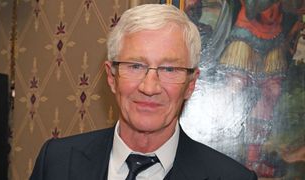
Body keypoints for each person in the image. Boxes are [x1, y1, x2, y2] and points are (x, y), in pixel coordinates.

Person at [30, 4, 257, 180]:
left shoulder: (232, 177)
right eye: (135, 66)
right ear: (111, 77)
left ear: (190, 84)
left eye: (169, 69)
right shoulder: (56, 162)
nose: (149, 88)